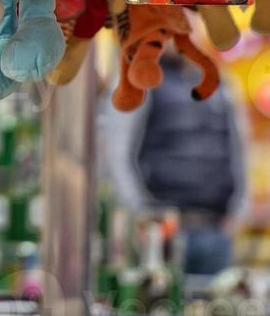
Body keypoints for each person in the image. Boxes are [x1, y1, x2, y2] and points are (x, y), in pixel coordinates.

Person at [103, 51, 249, 277]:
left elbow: (239, 150)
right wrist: (141, 213)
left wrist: (237, 213)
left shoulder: (220, 82)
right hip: (161, 232)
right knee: (162, 304)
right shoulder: (140, 80)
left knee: (213, 307)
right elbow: (118, 153)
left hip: (214, 230)